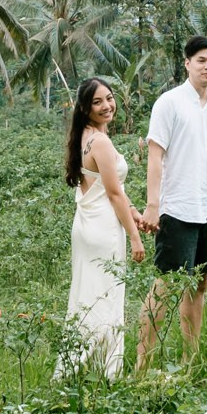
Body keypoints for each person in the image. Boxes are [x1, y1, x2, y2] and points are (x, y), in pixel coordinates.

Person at [137, 36, 207, 368]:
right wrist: (153, 205)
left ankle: (189, 359)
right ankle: (143, 363)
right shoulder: (169, 103)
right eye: (202, 61)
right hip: (177, 209)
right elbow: (155, 156)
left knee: (200, 285)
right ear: (187, 64)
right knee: (165, 286)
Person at [59, 77, 146, 379]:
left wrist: (133, 210)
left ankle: (76, 366)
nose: (107, 105)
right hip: (104, 229)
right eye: (98, 102)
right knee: (108, 297)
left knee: (86, 296)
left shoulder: (82, 136)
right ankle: (109, 372)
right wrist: (135, 237)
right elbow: (113, 193)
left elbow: (110, 187)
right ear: (85, 107)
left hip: (85, 226)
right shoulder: (102, 142)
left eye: (109, 98)